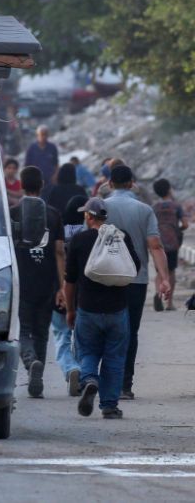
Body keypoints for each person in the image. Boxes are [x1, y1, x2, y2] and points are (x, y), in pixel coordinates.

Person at [64, 197, 140, 419]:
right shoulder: (120, 238)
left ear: (89, 216)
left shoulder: (79, 240)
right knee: (115, 358)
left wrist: (70, 310)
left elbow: (69, 282)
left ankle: (89, 380)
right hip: (117, 309)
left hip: (87, 309)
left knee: (87, 350)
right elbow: (135, 267)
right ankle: (109, 406)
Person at [102, 164, 171, 400]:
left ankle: (104, 380)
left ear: (109, 183)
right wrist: (163, 278)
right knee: (130, 331)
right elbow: (155, 245)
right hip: (136, 279)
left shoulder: (100, 207)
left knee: (106, 329)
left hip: (103, 278)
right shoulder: (144, 210)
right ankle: (124, 385)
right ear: (132, 184)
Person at [8, 167, 65, 398]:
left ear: (21, 184)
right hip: (47, 281)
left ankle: (31, 361)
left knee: (23, 330)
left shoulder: (12, 213)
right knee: (42, 331)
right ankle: (36, 373)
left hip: (21, 281)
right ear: (42, 185)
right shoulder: (53, 214)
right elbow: (60, 251)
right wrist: (62, 286)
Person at [53, 194, 90, 396]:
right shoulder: (89, 234)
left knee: (61, 335)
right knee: (84, 338)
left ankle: (70, 368)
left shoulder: (60, 232)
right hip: (84, 292)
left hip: (62, 290)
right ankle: (85, 373)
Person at [151, 178, 186, 311]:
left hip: (157, 242)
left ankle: (158, 294)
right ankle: (169, 304)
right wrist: (177, 230)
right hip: (172, 243)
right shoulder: (176, 206)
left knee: (160, 271)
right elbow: (185, 224)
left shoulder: (154, 207)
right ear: (169, 189)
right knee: (171, 272)